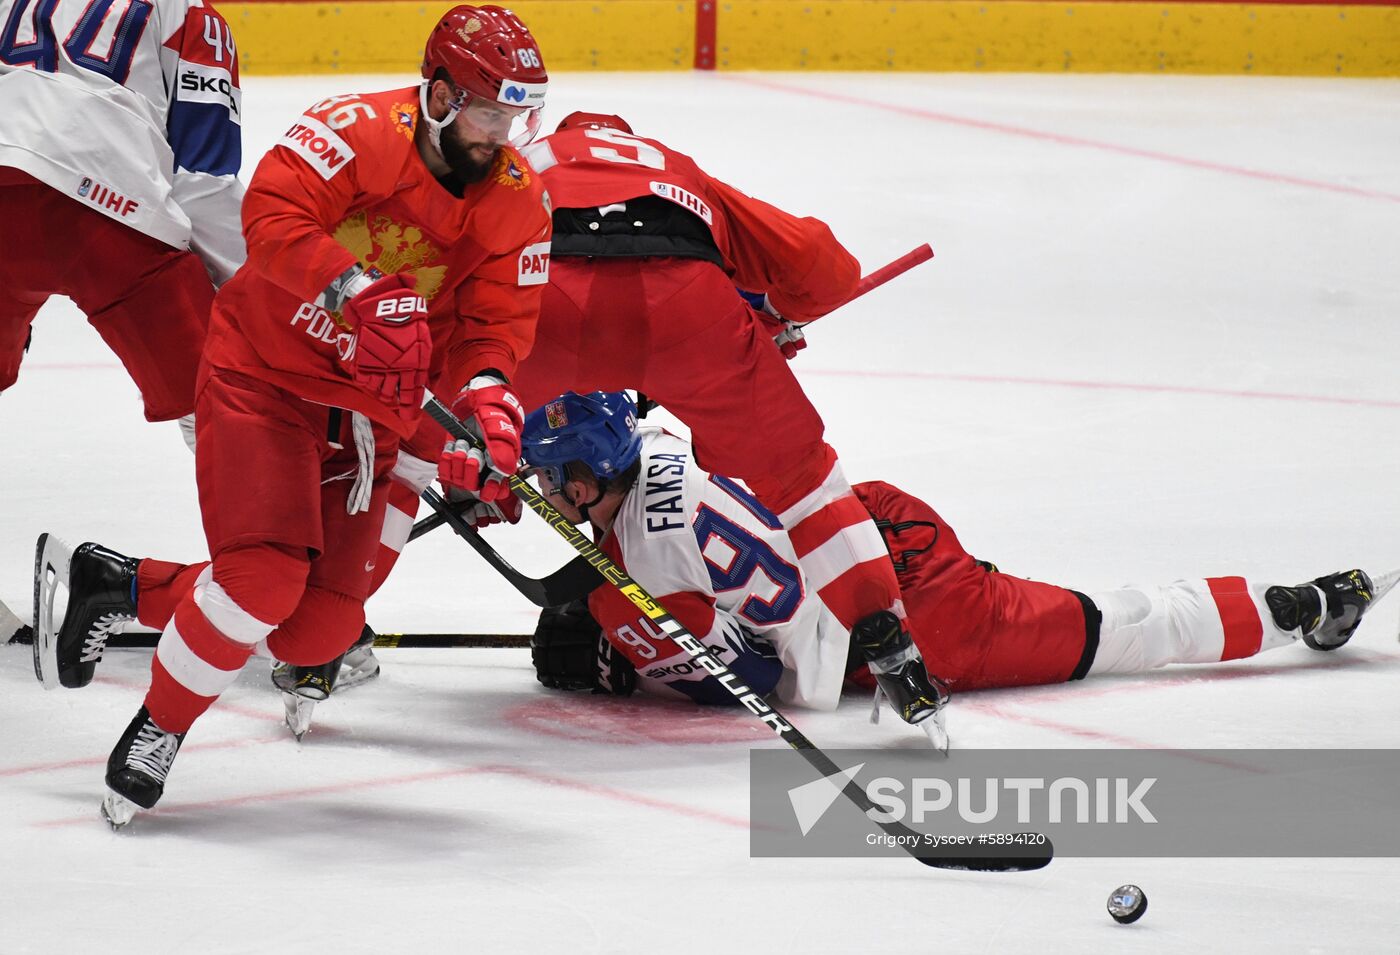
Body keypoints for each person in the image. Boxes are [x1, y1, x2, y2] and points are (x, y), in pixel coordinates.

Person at [31, 4, 553, 827]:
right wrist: (356, 292)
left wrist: (489, 414)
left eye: (518, 112)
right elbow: (268, 216)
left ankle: (119, 582)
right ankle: (159, 727)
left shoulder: (518, 200)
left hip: (368, 419)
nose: (505, 131)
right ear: (443, 94)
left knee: (314, 633)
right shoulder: (354, 131)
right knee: (262, 579)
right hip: (263, 375)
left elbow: (494, 329)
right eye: (492, 110)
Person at [358, 110, 948, 734]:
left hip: (540, 309)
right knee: (806, 482)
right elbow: (825, 269)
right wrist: (767, 313)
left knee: (402, 454)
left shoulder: (517, 164)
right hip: (687, 308)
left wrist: (458, 432)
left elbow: (435, 282)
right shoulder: (675, 167)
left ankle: (329, 637)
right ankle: (894, 650)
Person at [520, 391, 1391, 738]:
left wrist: (626, 661)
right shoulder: (660, 440)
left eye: (549, 482)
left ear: (589, 476)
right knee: (1091, 613)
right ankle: (1302, 604)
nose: (543, 493)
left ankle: (1307, 605)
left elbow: (741, 677)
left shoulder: (645, 562)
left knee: (1117, 630)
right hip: (875, 525)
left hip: (913, 627)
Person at [0, 0, 245, 435]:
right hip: (106, 204)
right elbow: (203, 180)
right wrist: (257, 291)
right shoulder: (192, 14)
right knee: (218, 397)